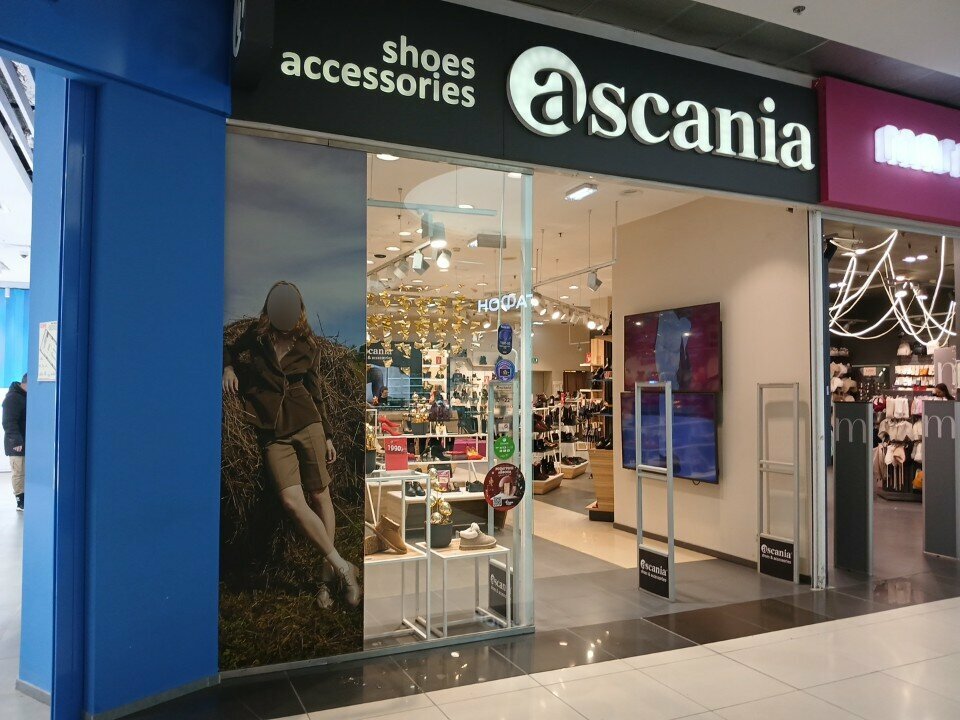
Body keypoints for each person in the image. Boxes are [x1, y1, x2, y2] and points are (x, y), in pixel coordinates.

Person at [223, 282, 360, 608]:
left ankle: (325, 581)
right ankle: (344, 567)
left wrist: (328, 434)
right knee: (291, 501)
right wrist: (228, 367)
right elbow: (227, 346)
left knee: (320, 496)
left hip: (307, 422)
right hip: (271, 430)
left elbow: (316, 392)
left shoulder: (308, 345)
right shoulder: (256, 336)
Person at [2, 374, 27, 511]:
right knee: (19, 471)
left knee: (25, 471)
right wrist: (16, 441)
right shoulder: (13, 398)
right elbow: (8, 422)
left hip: (28, 441)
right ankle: (20, 500)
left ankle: (27, 497)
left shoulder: (26, 396)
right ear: (26, 384)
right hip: (16, 444)